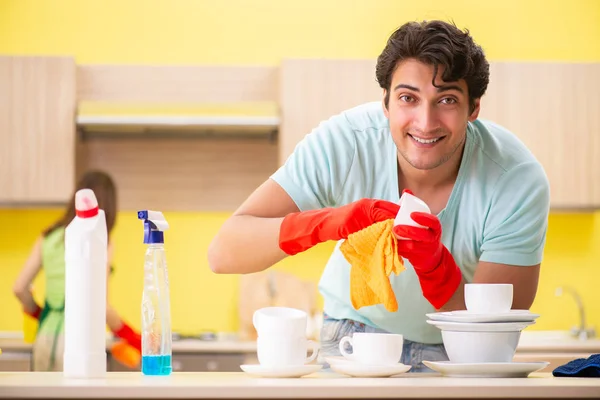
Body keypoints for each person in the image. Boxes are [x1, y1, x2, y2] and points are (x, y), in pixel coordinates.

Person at [207, 20, 550, 372]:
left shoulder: (516, 180)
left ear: (474, 109)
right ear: (385, 102)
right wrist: (328, 223)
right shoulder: (344, 144)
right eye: (408, 98)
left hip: (458, 354)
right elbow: (223, 253)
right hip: (351, 339)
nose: (425, 121)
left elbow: (492, 334)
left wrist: (435, 268)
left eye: (447, 99)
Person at [13, 170, 142, 371]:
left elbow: (19, 288)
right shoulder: (101, 239)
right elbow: (101, 305)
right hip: (80, 341)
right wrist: (133, 338)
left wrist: (43, 314)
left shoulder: (48, 236)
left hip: (45, 338)